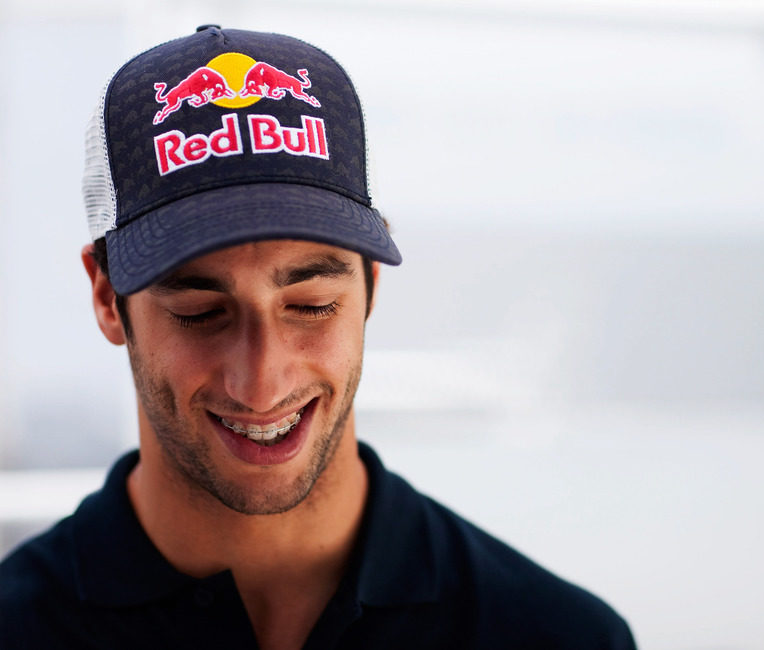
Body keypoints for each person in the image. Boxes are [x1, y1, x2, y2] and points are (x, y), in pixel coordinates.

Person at [0, 25, 635, 650]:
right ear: (108, 299)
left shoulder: (555, 635)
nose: (261, 381)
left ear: (371, 287)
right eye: (199, 312)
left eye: (311, 305)